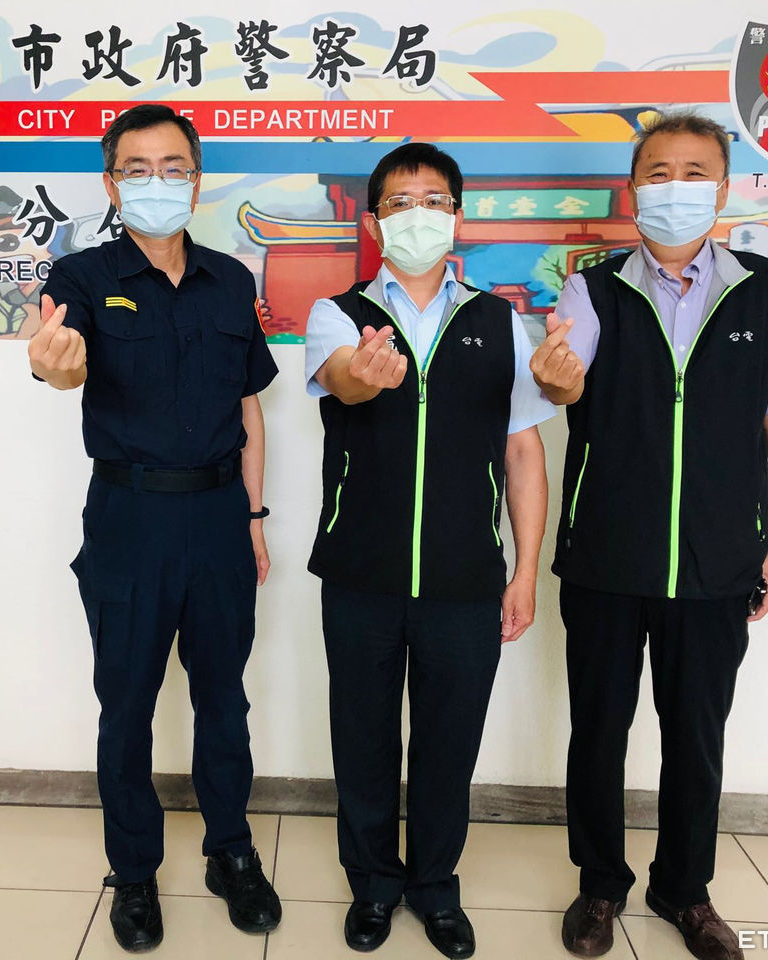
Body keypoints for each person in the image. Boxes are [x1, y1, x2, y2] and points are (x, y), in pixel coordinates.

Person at [533, 112, 768, 960]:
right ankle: (599, 884)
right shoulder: (593, 290)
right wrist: (556, 378)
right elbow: (564, 379)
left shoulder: (764, 290)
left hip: (720, 559)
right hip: (606, 554)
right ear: (634, 191)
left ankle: (685, 891)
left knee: (696, 734)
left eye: (695, 173)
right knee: (599, 730)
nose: (676, 188)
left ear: (721, 192)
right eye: (658, 173)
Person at [28, 104, 282, 953]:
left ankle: (230, 853)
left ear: (196, 181)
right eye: (136, 169)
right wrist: (51, 364)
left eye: (173, 167)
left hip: (219, 517)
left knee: (224, 700)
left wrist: (254, 517)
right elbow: (56, 356)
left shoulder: (231, 281)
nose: (156, 182)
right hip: (128, 518)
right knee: (127, 705)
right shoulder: (81, 276)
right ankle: (133, 872)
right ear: (111, 184)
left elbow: (248, 407)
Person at [304, 142, 554, 959]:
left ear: (457, 216)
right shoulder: (338, 314)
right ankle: (374, 885)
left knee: (449, 744)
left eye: (435, 200)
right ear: (375, 223)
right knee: (363, 738)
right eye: (401, 202)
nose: (419, 214)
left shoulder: (498, 321)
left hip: (465, 578)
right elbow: (340, 380)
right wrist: (365, 375)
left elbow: (522, 450)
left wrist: (525, 570)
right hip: (360, 574)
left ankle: (436, 888)